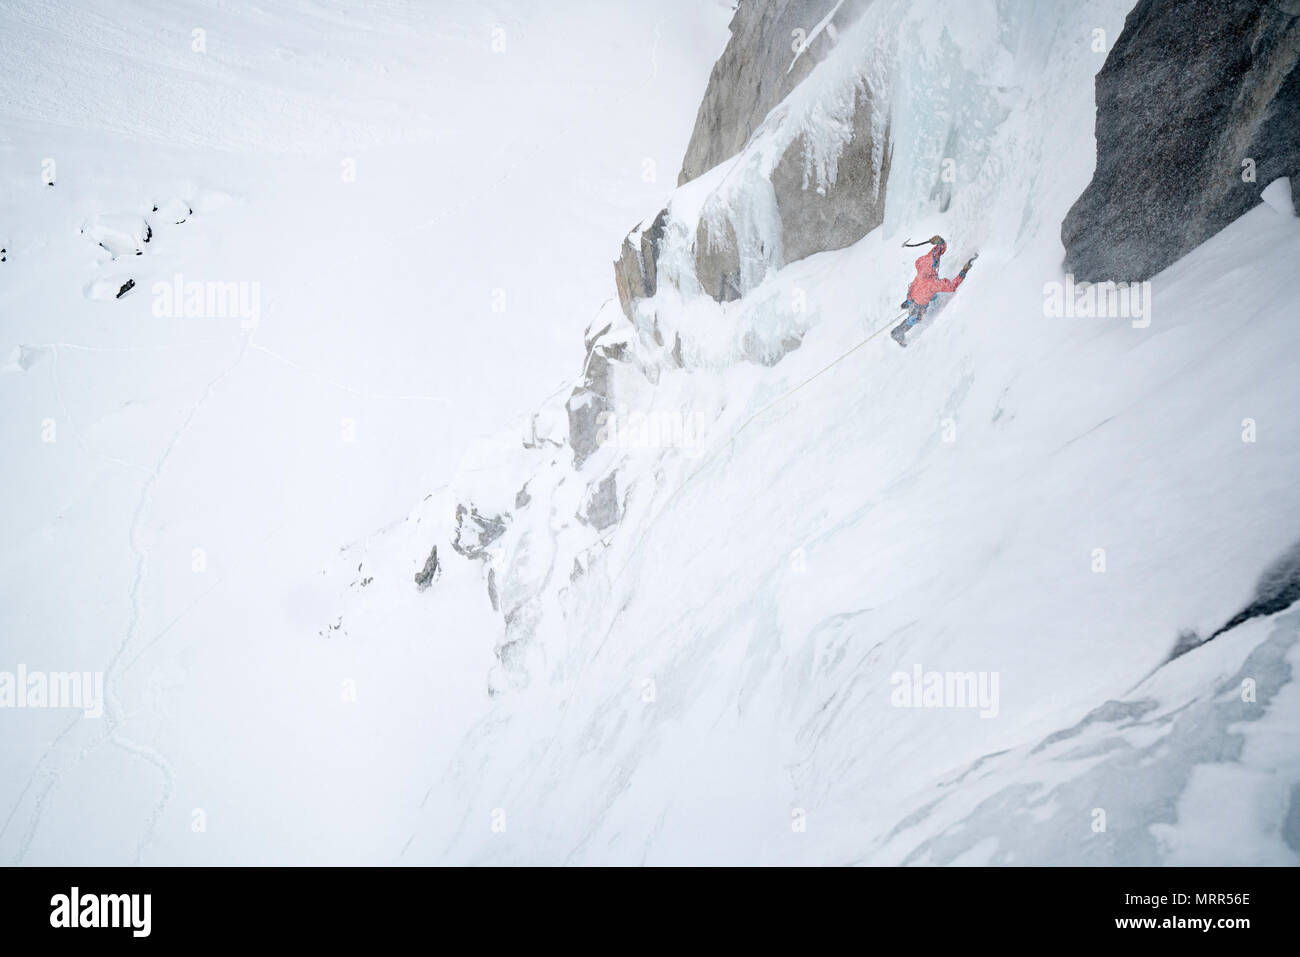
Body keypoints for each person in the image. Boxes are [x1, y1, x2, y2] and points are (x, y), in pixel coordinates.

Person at [891, 236, 975, 345]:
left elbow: (937, 251)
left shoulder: (924, 263)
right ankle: (897, 332)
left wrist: (940, 242)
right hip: (919, 302)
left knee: (930, 295)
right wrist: (963, 271)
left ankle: (907, 303)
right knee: (915, 318)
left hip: (912, 292)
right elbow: (952, 286)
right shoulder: (933, 284)